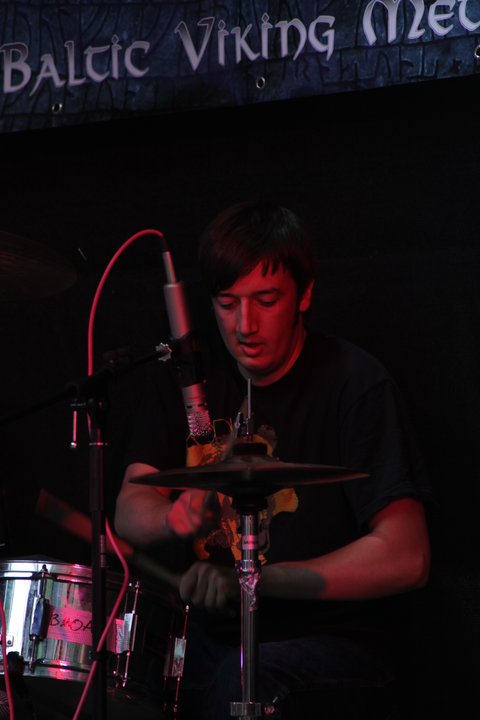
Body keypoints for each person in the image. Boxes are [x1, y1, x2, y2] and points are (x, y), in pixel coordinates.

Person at [114, 200, 432, 719]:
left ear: (304, 294)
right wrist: (171, 518)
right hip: (209, 640)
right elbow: (130, 507)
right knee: (130, 681)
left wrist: (258, 582)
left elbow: (407, 556)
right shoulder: (189, 376)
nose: (245, 325)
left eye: (266, 300)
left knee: (243, 679)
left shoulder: (355, 384)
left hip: (331, 641)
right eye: (227, 303)